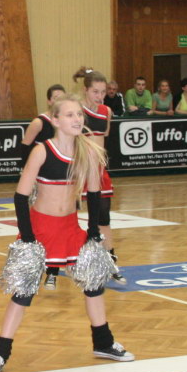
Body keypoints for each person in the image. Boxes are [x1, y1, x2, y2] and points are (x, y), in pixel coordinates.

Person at [0, 95, 134, 372]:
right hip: (40, 230)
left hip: (70, 228)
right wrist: (28, 236)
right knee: (23, 293)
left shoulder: (87, 151)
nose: (77, 119)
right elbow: (20, 196)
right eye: (69, 115)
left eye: (79, 114)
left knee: (93, 284)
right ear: (55, 120)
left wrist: (92, 232)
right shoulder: (42, 151)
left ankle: (103, 342)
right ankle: (0, 353)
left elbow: (94, 194)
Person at [76, 68, 125, 285]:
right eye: (95, 91)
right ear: (85, 90)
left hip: (99, 170)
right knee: (68, 216)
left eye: (103, 92)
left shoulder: (106, 111)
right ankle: (63, 260)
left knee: (103, 216)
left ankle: (110, 261)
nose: (100, 96)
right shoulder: (76, 111)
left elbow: (103, 136)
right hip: (78, 170)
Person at [21, 84, 64, 290]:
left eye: (62, 97)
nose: (58, 100)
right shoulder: (39, 122)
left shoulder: (65, 124)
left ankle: (53, 272)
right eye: (55, 97)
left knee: (60, 226)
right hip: (40, 180)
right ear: (48, 100)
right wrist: (28, 175)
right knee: (40, 224)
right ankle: (35, 265)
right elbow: (24, 147)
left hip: (60, 182)